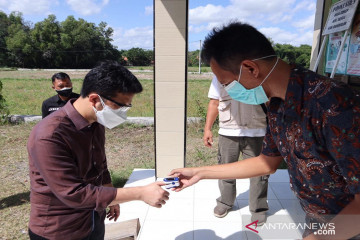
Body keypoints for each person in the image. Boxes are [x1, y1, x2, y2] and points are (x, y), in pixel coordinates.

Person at [170, 22, 360, 239]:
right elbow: (266, 163)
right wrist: (200, 172)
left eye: (226, 83)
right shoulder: (277, 104)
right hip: (320, 223)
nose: (227, 90)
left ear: (251, 68)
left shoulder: (335, 105)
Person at [28, 61, 169, 240]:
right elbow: (74, 194)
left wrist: (113, 198)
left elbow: (100, 165)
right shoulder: (50, 135)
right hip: (60, 229)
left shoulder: (95, 121)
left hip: (94, 218)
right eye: (120, 106)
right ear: (95, 99)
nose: (123, 113)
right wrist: (140, 193)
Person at [203, 76, 269, 224]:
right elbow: (214, 102)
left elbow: (272, 101)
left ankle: (258, 208)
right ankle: (225, 203)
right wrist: (207, 129)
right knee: (225, 170)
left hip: (257, 130)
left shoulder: (260, 72)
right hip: (228, 131)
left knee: (259, 173)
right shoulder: (220, 75)